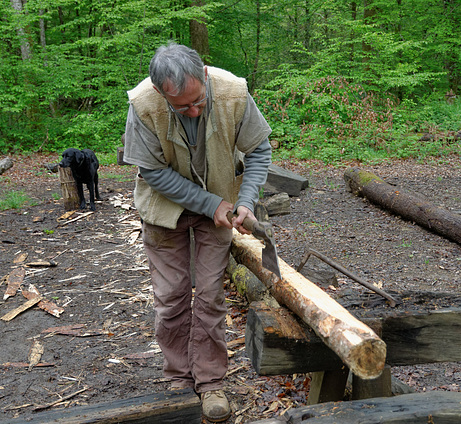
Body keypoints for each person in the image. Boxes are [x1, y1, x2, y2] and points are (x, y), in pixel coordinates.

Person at [123, 42, 272, 422]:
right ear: (161, 92)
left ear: (204, 74)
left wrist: (246, 200)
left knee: (208, 296)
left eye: (198, 102)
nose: (193, 111)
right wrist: (211, 204)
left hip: (219, 208)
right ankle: (179, 379)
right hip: (164, 210)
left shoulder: (233, 92)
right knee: (171, 298)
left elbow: (258, 151)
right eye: (182, 106)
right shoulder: (143, 104)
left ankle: (210, 383)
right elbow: (153, 173)